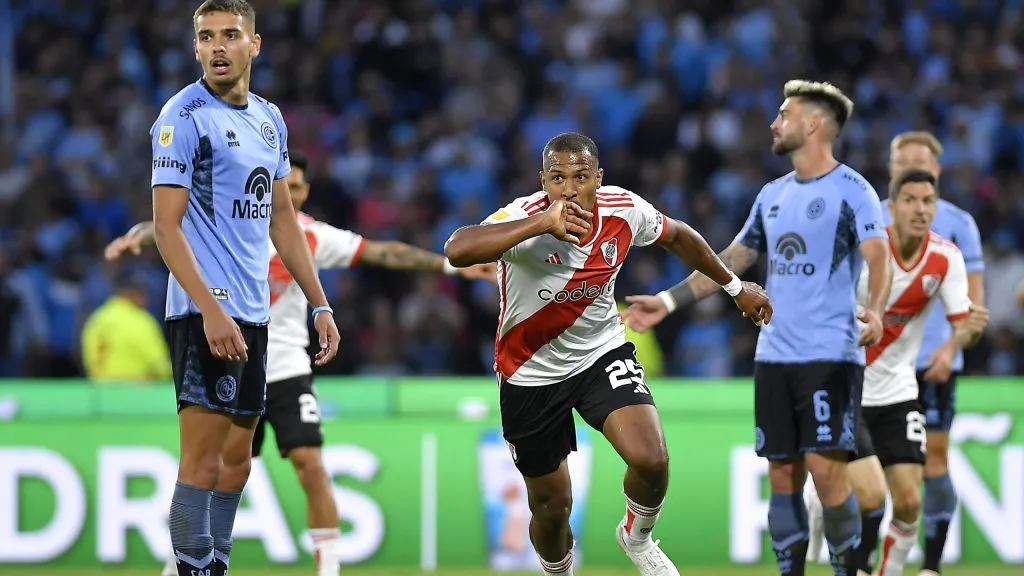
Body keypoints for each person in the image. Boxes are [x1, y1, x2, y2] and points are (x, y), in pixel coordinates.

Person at [107, 150, 496, 576]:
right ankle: (180, 561)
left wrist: (449, 266)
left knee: (310, 463)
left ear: (305, 191)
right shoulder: (233, 223)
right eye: (281, 185)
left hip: (287, 367)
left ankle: (328, 569)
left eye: (295, 187)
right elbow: (173, 222)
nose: (287, 193)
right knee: (212, 473)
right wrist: (138, 236)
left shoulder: (310, 235)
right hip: (233, 366)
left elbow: (383, 253)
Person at [444, 131, 773, 576]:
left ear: (598, 178)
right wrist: (541, 225)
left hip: (601, 352)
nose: (569, 189)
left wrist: (735, 287)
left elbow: (678, 237)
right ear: (542, 181)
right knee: (552, 507)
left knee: (652, 459)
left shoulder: (624, 209)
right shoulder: (523, 217)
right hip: (530, 372)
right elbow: (458, 248)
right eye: (557, 178)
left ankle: (636, 537)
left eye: (580, 177)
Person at [622, 80, 893, 576]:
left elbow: (879, 258)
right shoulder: (772, 195)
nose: (774, 122)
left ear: (813, 124)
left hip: (829, 355)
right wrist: (667, 300)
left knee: (829, 476)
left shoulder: (854, 191)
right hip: (774, 357)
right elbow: (729, 262)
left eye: (784, 113)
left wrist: (874, 309)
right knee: (782, 474)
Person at [150, 1, 339, 575]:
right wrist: (209, 310)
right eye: (205, 37)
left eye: (229, 35)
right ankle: (194, 570)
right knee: (200, 465)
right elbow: (165, 226)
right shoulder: (181, 118)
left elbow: (283, 218)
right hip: (205, 315)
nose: (216, 47)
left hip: (254, 318)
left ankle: (216, 566)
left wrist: (319, 302)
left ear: (254, 45)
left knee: (238, 465)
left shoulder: (268, 119)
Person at [805, 131, 989, 575]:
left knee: (908, 502)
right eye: (910, 200)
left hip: (898, 390)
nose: (921, 209)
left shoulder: (947, 257)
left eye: (928, 201)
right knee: (870, 497)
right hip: (845, 385)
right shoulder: (866, 250)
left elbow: (964, 321)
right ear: (893, 204)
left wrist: (966, 334)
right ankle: (823, 508)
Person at [80, 277, 173, 382]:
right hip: (136, 392)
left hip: (100, 391)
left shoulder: (95, 320)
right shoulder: (140, 321)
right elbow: (160, 366)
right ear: (137, 296)